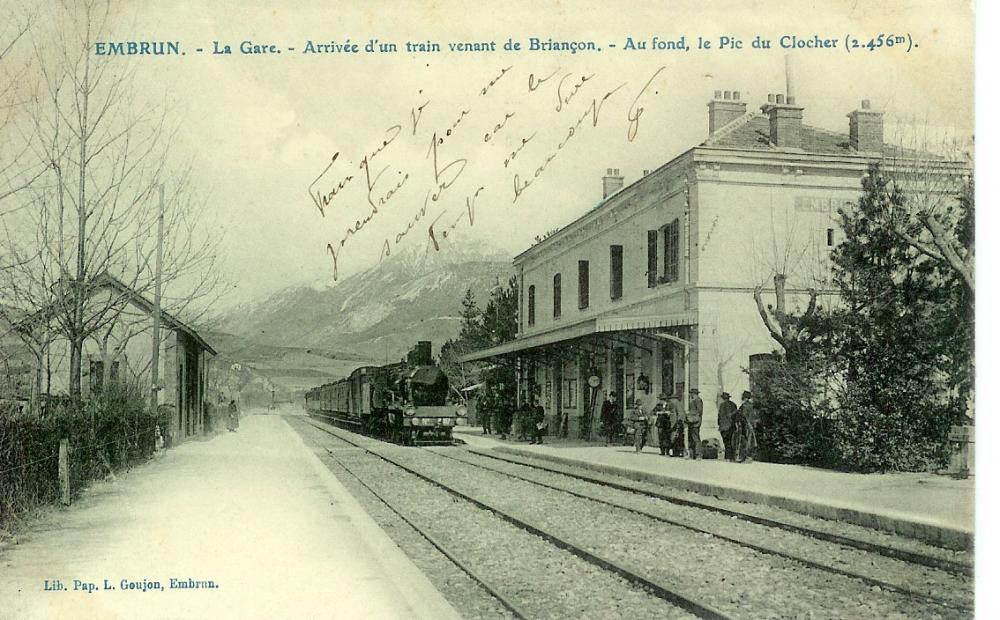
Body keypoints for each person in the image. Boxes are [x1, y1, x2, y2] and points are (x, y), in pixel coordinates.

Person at [736, 390, 758, 463]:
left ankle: (747, 457)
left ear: (744, 397)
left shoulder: (744, 405)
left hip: (746, 425)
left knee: (746, 441)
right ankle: (748, 457)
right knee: (751, 441)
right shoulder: (752, 405)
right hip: (752, 424)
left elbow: (743, 416)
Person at [718, 392, 737, 461]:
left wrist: (719, 424)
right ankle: (732, 457)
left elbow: (719, 416)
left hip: (723, 427)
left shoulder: (721, 405)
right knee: (731, 441)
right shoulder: (733, 405)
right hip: (731, 426)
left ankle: (728, 457)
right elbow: (735, 416)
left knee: (726, 442)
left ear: (723, 398)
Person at [687, 388, 703, 459]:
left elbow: (699, 411)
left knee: (696, 438)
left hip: (695, 422)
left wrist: (690, 414)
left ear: (694, 394)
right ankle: (692, 454)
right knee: (691, 438)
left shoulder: (698, 401)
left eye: (691, 393)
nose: (690, 395)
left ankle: (698, 454)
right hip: (692, 422)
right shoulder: (694, 401)